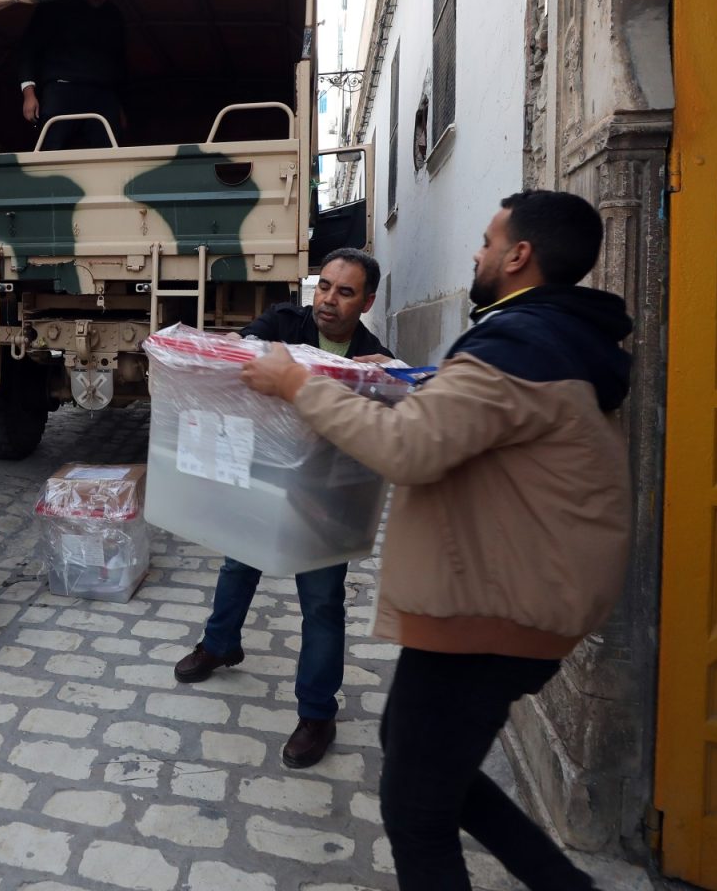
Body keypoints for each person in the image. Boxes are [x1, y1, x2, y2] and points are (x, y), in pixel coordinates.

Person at [242, 190, 632, 891]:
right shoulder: (554, 336)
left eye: (488, 242)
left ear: (519, 255)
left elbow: (409, 450)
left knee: (417, 813)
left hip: (491, 608)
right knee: (423, 764)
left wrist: (298, 383)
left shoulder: (519, 344)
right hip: (504, 593)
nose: (477, 253)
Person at [173, 247, 393, 768]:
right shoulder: (284, 323)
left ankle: (317, 713)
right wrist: (233, 345)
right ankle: (219, 644)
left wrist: (388, 377)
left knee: (322, 602)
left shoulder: (373, 356)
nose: (329, 300)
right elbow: (245, 347)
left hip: (325, 499)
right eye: (325, 286)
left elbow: (382, 433)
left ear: (367, 302)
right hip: (265, 478)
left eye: (345, 292)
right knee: (237, 563)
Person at [16, 0, 125, 151]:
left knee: (109, 149)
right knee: (50, 148)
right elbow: (29, 47)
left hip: (102, 92)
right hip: (61, 88)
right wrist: (28, 93)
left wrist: (119, 105)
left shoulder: (113, 13)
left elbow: (119, 60)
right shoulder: (54, 4)